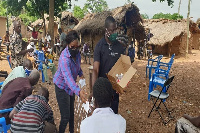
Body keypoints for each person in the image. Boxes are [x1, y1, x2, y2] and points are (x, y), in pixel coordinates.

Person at [53, 30, 88, 133]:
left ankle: (72, 131)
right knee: (65, 116)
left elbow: (77, 66)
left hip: (71, 87)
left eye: (77, 47)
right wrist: (78, 91)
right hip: (61, 87)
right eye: (72, 47)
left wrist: (80, 73)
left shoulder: (77, 54)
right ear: (68, 45)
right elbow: (68, 78)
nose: (75, 49)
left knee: (72, 114)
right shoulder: (64, 58)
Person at [92, 16, 125, 114]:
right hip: (103, 89)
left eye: (115, 29)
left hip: (115, 88)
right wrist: (95, 91)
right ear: (106, 30)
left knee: (114, 112)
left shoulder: (119, 46)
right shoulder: (99, 47)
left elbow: (123, 67)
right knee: (102, 114)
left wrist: (121, 84)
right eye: (112, 30)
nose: (114, 32)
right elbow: (95, 70)